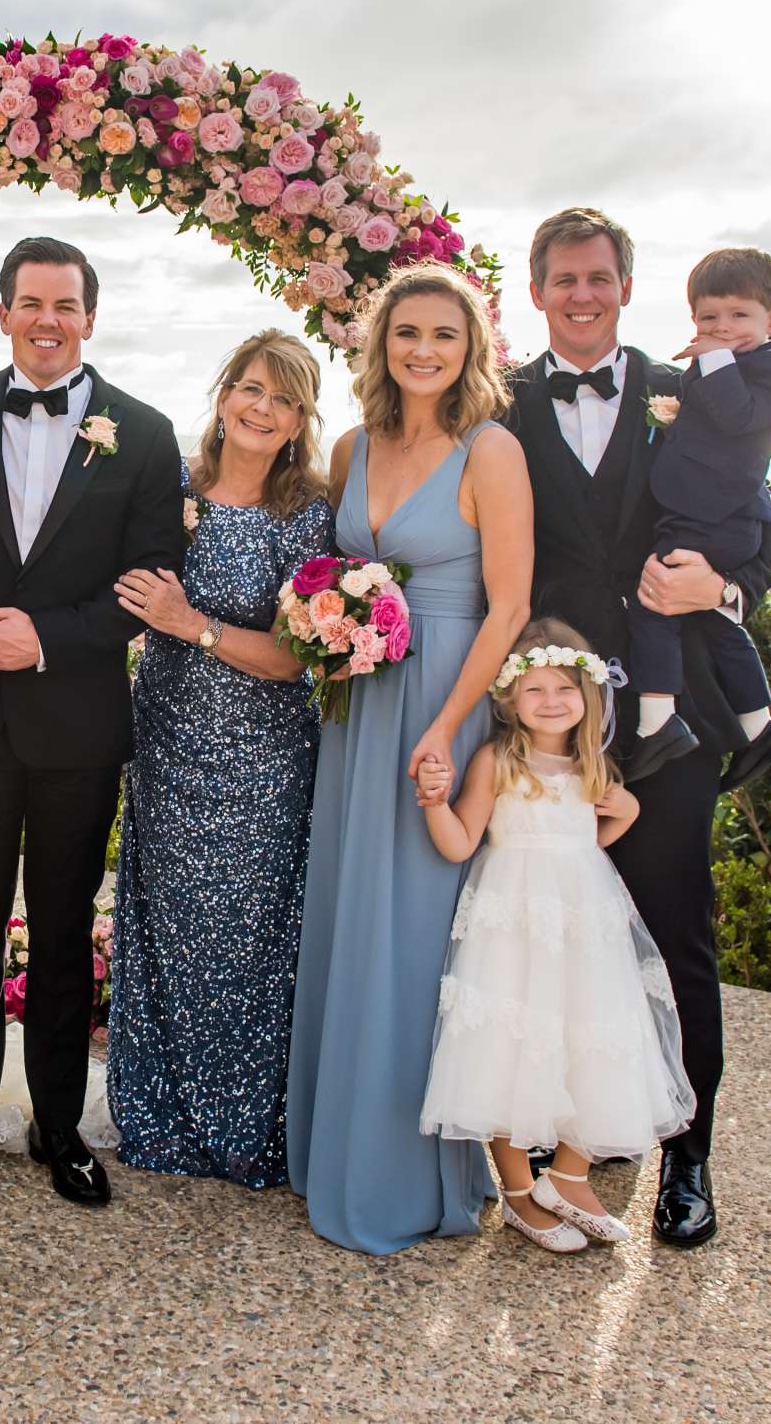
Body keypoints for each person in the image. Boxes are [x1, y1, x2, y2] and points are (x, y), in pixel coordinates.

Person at [505, 206, 771, 1246]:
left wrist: (725, 585)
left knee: (676, 929)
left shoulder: (695, 391)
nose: (582, 296)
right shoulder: (498, 404)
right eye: (563, 281)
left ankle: (691, 1153)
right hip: (548, 712)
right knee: (564, 928)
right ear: (536, 291)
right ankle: (578, 1133)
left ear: (626, 288)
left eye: (599, 279)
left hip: (677, 710)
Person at [0, 236, 183, 1209]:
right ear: (2, 313)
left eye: (65, 304)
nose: (47, 320)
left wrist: (52, 638)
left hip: (78, 724)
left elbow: (154, 585)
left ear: (90, 316)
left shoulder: (145, 433)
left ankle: (61, 1125)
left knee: (65, 929)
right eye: (30, 302)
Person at [282, 261, 531, 1256]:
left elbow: (507, 605)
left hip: (440, 707)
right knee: (352, 912)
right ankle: (339, 1150)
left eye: (444, 334)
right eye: (405, 334)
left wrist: (447, 726)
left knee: (422, 930)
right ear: (380, 346)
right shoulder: (353, 446)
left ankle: (419, 1172)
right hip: (357, 702)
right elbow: (333, 572)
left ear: (471, 348)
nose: (423, 350)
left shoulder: (491, 450)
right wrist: (321, 631)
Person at [104, 330, 334, 1188]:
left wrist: (189, 624)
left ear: (302, 416)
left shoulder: (308, 511)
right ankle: (160, 1114)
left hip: (265, 758)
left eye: (282, 398)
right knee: (166, 929)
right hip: (164, 742)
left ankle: (244, 1123)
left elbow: (297, 653)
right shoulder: (170, 488)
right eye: (249, 387)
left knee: (250, 939)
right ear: (224, 391)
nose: (260, 408)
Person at [415, 618, 697, 1254]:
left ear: (589, 695)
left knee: (594, 1040)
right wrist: (435, 802)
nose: (550, 701)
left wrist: (625, 813)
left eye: (564, 688)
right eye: (536, 688)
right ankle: (518, 1192)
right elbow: (461, 842)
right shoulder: (496, 761)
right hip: (512, 924)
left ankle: (568, 1176)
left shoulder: (592, 765)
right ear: (511, 697)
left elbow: (587, 838)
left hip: (583, 922)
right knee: (509, 1048)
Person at [623, 247, 771, 787]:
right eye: (709, 318)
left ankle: (656, 725)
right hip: (690, 517)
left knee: (653, 603)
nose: (722, 328)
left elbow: (737, 416)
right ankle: (759, 729)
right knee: (719, 622)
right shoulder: (696, 370)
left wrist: (713, 360)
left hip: (717, 521)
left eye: (738, 316)